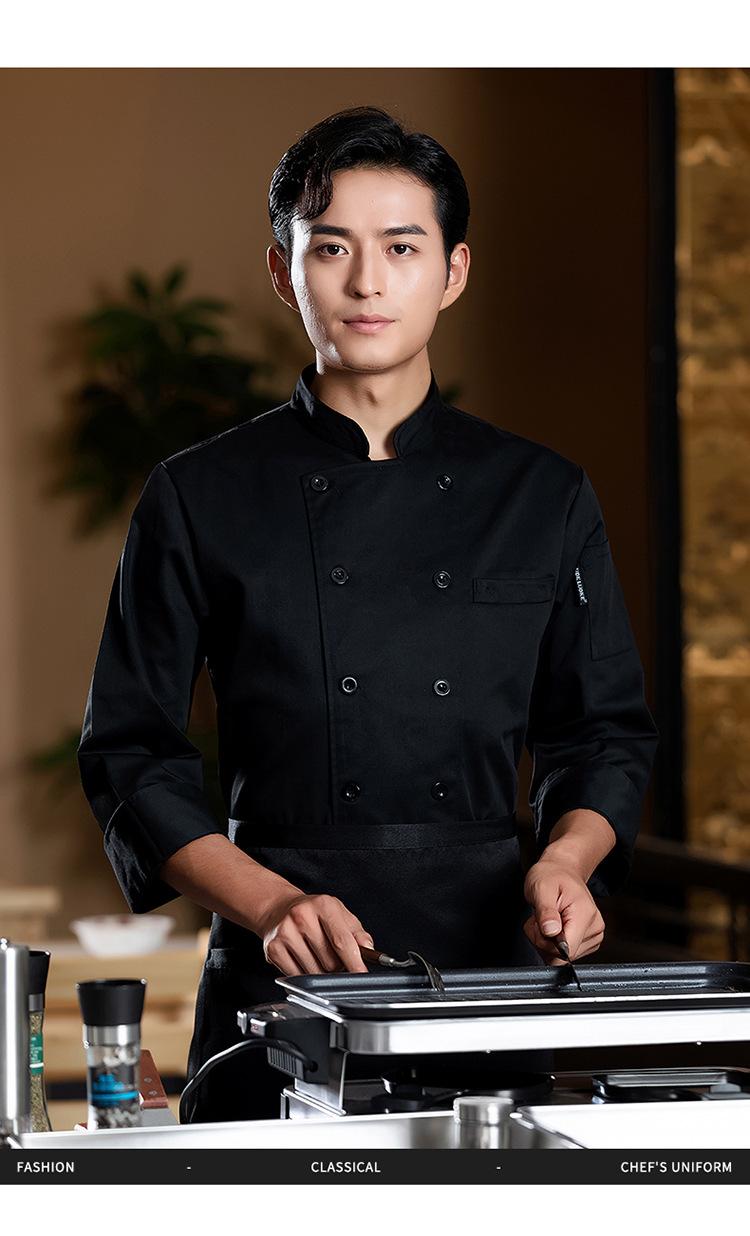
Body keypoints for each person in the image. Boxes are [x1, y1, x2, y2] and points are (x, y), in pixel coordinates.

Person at [77, 105, 659, 1122]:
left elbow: (601, 732)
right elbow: (129, 753)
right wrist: (271, 904)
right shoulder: (199, 494)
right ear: (283, 272)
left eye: (401, 247)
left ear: (454, 271)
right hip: (279, 975)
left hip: (486, 980)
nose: (366, 282)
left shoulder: (542, 495)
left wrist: (567, 863)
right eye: (331, 247)